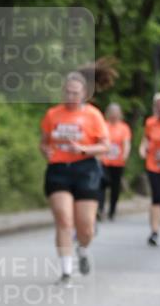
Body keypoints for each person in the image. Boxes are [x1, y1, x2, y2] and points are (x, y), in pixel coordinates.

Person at [39, 63, 115, 285]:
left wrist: (82, 150)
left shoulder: (93, 115)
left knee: (86, 226)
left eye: (76, 92)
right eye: (68, 92)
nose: (71, 96)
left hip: (86, 170)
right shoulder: (53, 114)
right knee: (64, 219)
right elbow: (43, 143)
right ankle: (66, 272)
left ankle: (82, 248)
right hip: (59, 170)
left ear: (84, 94)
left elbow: (105, 146)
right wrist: (46, 150)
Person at [139, 92, 160, 246]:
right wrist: (143, 149)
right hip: (154, 165)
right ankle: (154, 232)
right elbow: (146, 139)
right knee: (157, 197)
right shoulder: (150, 122)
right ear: (155, 108)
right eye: (159, 106)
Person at [98, 103, 132, 221]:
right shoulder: (103, 125)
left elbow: (126, 143)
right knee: (101, 184)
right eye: (111, 112)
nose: (113, 115)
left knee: (115, 187)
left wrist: (125, 155)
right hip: (104, 161)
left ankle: (112, 210)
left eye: (116, 113)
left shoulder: (124, 127)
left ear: (119, 114)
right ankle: (100, 209)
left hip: (118, 162)